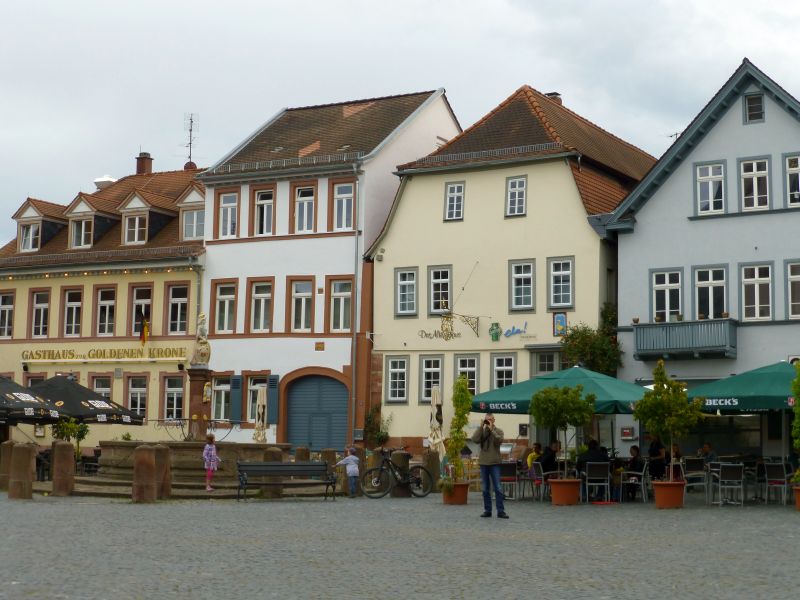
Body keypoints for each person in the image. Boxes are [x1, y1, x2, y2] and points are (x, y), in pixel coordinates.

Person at [470, 413, 508, 519]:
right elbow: (474, 439)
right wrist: (481, 426)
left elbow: (499, 440)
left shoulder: (499, 431)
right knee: (485, 488)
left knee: (498, 488)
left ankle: (501, 511)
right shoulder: (482, 431)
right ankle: (487, 510)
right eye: (486, 420)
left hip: (495, 462)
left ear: (494, 420)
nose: (488, 422)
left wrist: (492, 429)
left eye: (490, 420)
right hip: (483, 462)